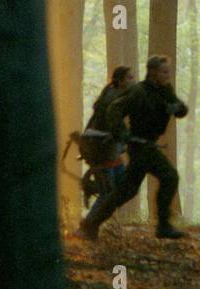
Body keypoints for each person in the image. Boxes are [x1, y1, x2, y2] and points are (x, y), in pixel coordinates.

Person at [77, 55, 189, 241]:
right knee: (169, 176)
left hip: (148, 145)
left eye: (168, 71)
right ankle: (163, 226)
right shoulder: (139, 91)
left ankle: (90, 225)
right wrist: (121, 132)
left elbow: (181, 110)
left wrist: (178, 108)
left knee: (126, 191)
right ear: (153, 72)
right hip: (140, 146)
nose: (168, 75)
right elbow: (114, 109)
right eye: (164, 71)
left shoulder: (165, 90)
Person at [80, 66, 135, 211]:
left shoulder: (114, 92)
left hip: (111, 148)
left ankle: (93, 189)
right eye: (129, 78)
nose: (133, 81)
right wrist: (127, 137)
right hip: (102, 148)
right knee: (107, 194)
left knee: (124, 187)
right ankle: (87, 226)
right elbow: (114, 125)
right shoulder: (114, 98)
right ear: (120, 80)